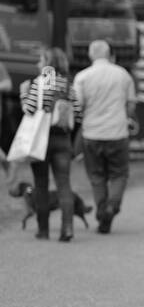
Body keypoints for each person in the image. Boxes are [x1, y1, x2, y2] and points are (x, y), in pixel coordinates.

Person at [73, 40, 136, 234]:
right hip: (117, 132)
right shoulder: (123, 75)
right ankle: (112, 206)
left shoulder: (82, 77)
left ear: (91, 55)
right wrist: (126, 118)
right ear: (109, 54)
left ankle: (102, 210)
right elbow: (131, 104)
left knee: (97, 176)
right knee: (119, 174)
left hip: (92, 133)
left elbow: (78, 106)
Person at [19, 47, 80, 241]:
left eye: (40, 60)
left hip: (41, 140)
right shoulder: (68, 86)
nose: (38, 64)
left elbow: (28, 111)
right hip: (63, 139)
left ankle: (43, 230)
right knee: (64, 184)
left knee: (41, 184)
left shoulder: (40, 83)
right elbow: (78, 114)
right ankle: (67, 228)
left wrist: (23, 94)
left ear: (48, 63)